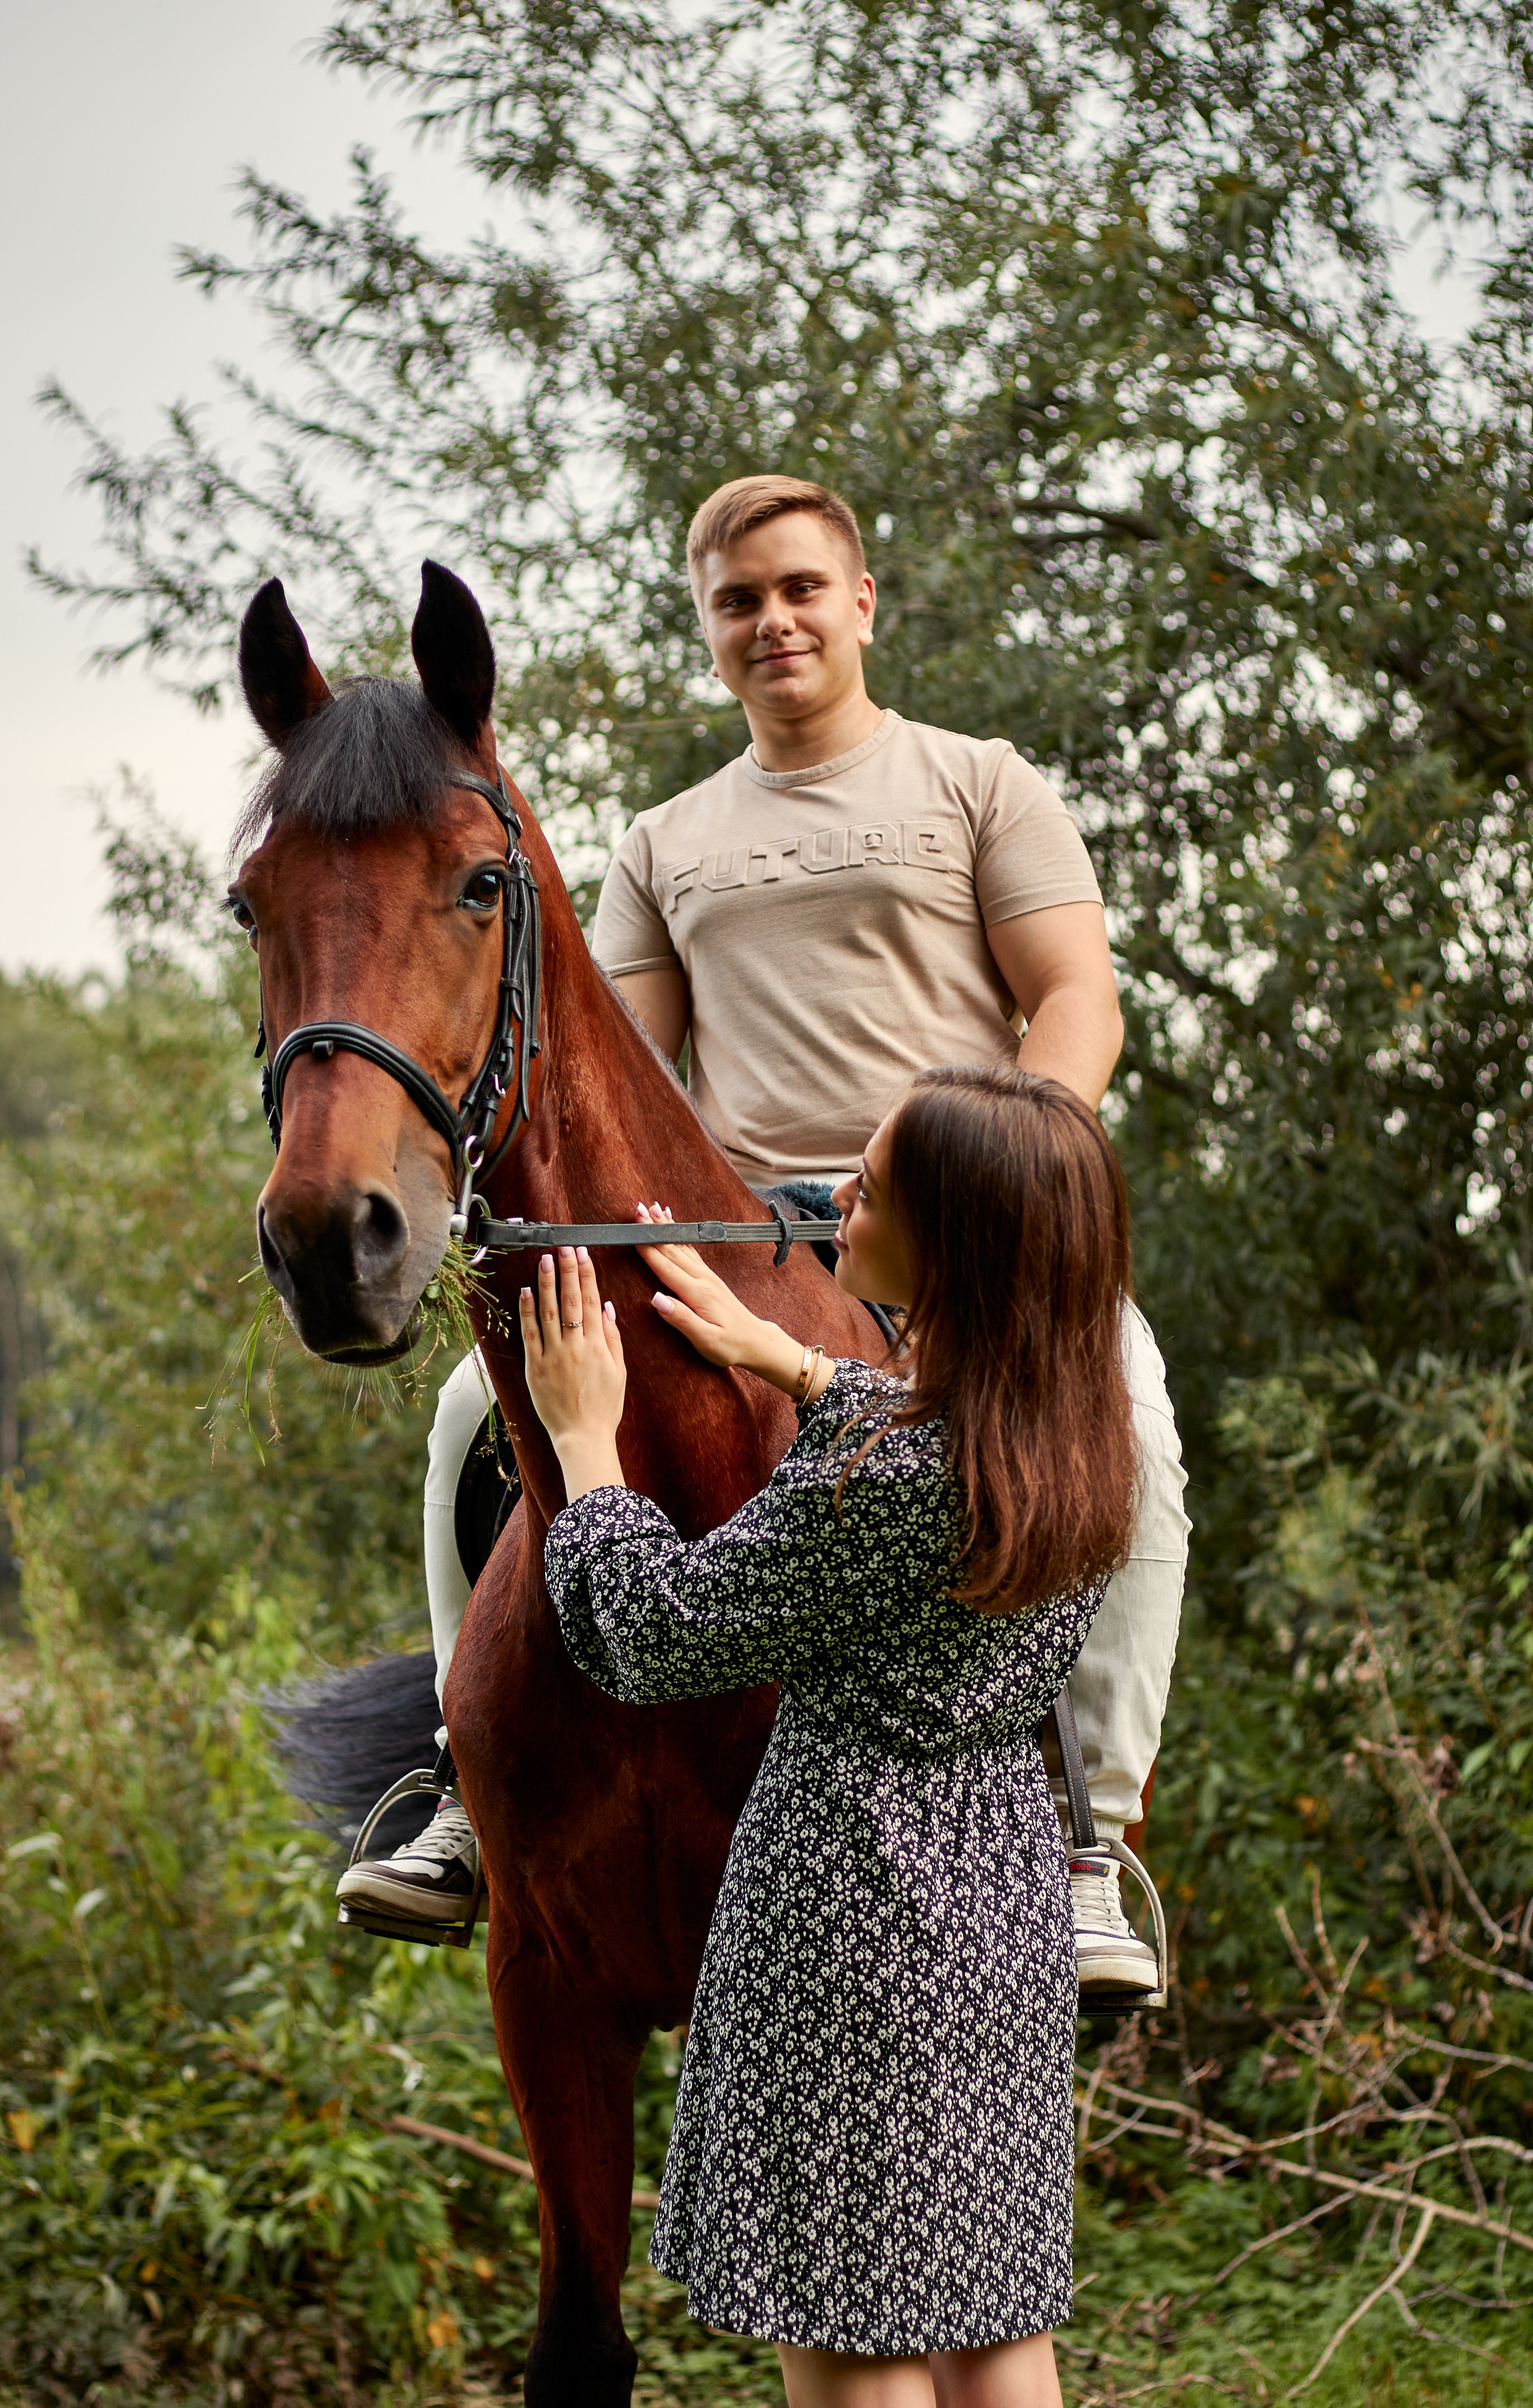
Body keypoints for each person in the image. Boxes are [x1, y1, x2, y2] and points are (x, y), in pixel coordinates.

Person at [338, 476, 1188, 1996]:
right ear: (709, 633)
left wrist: (1006, 1186)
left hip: (962, 1226)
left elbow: (1076, 1003)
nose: (772, 619)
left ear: (861, 602)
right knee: (478, 1405)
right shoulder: (664, 842)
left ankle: (1087, 1846)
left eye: (799, 587)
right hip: (742, 1234)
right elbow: (616, 1068)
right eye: (738, 600)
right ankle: (462, 1787)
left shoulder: (978, 783)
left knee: (1126, 1421)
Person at [520, 1067, 1138, 2408]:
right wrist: (794, 1362)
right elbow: (930, 1449)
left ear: (957, 1241)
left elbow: (654, 1632)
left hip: (849, 1912)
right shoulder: (1079, 1445)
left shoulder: (882, 1485)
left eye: (876, 1185)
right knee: (989, 2321)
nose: (839, 1195)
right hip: (996, 1905)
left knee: (859, 2342)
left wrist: (583, 1445)